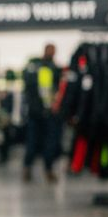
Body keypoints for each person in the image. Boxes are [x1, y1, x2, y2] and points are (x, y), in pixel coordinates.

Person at [22, 43, 63, 183]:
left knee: (47, 143)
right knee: (34, 142)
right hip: (38, 113)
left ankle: (47, 170)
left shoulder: (52, 68)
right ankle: (28, 168)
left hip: (47, 113)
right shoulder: (38, 67)